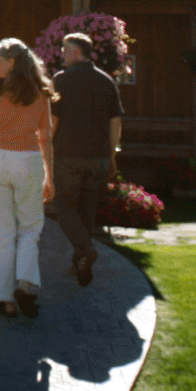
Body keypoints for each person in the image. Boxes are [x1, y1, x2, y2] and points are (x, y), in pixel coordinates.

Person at [0, 37, 56, 319]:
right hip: (28, 161)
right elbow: (45, 136)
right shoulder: (41, 92)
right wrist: (50, 176)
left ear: (10, 62)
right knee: (30, 227)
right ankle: (24, 284)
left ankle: (5, 299)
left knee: (1, 232)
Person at [50, 32, 125, 287]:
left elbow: (54, 121)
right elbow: (115, 122)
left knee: (65, 210)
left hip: (68, 155)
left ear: (76, 50)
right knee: (86, 211)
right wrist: (112, 155)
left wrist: (45, 150)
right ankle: (79, 263)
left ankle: (85, 250)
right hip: (99, 157)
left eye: (64, 48)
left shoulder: (61, 80)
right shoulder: (106, 82)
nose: (61, 53)